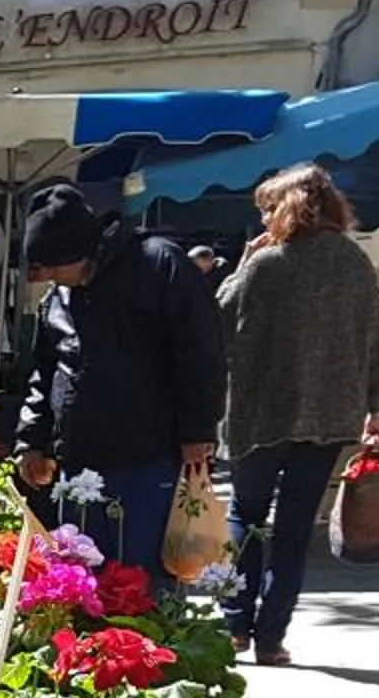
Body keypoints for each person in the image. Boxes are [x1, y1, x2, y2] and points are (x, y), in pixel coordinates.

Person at [215, 163, 379, 666]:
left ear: (287, 209)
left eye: (269, 209)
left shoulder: (268, 265)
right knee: (294, 526)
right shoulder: (355, 264)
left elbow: (218, 323)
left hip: (261, 412)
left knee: (244, 515)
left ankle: (234, 626)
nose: (265, 219)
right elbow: (375, 342)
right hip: (332, 414)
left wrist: (242, 265)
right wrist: (376, 408)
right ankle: (272, 638)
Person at [13, 182, 226, 575]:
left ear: (81, 253)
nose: (50, 279)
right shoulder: (59, 299)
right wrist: (32, 440)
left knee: (145, 583)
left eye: (55, 268)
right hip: (79, 465)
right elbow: (46, 374)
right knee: (84, 584)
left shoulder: (159, 266)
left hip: (150, 459)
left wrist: (198, 431)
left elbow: (201, 353)